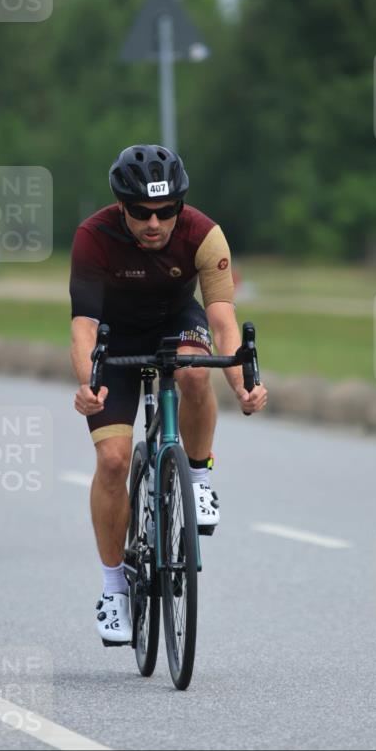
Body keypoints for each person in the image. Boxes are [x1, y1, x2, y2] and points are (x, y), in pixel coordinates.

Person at [70, 144, 268, 644]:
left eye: (165, 212)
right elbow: (83, 328)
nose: (154, 223)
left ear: (180, 205)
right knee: (113, 462)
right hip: (116, 335)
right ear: (122, 207)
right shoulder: (94, 237)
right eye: (140, 213)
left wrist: (244, 386)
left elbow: (222, 322)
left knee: (196, 373)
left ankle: (197, 476)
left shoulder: (204, 234)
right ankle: (114, 589)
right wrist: (88, 386)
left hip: (176, 324)